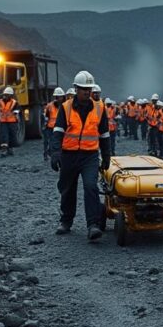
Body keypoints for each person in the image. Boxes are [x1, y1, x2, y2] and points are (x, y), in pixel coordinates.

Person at [50, 71, 111, 241]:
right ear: (76, 89)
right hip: (69, 155)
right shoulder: (66, 107)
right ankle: (66, 221)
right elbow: (58, 131)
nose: (86, 91)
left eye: (89, 89)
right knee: (67, 188)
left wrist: (107, 156)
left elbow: (105, 134)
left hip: (89, 156)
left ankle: (93, 225)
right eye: (83, 88)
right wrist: (55, 153)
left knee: (91, 186)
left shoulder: (100, 108)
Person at [42, 88, 65, 161]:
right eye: (57, 97)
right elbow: (46, 116)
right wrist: (44, 125)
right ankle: (47, 154)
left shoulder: (65, 105)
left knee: (59, 142)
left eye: (60, 97)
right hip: (50, 127)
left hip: (60, 127)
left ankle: (54, 154)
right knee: (49, 141)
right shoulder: (49, 106)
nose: (58, 99)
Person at [0, 87, 20, 157]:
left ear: (10, 96)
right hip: (3, 122)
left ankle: (10, 149)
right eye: (5, 94)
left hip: (12, 122)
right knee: (4, 135)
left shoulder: (14, 102)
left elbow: (18, 109)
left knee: (12, 135)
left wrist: (15, 112)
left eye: (7, 95)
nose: (5, 96)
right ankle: (4, 150)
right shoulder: (0, 101)